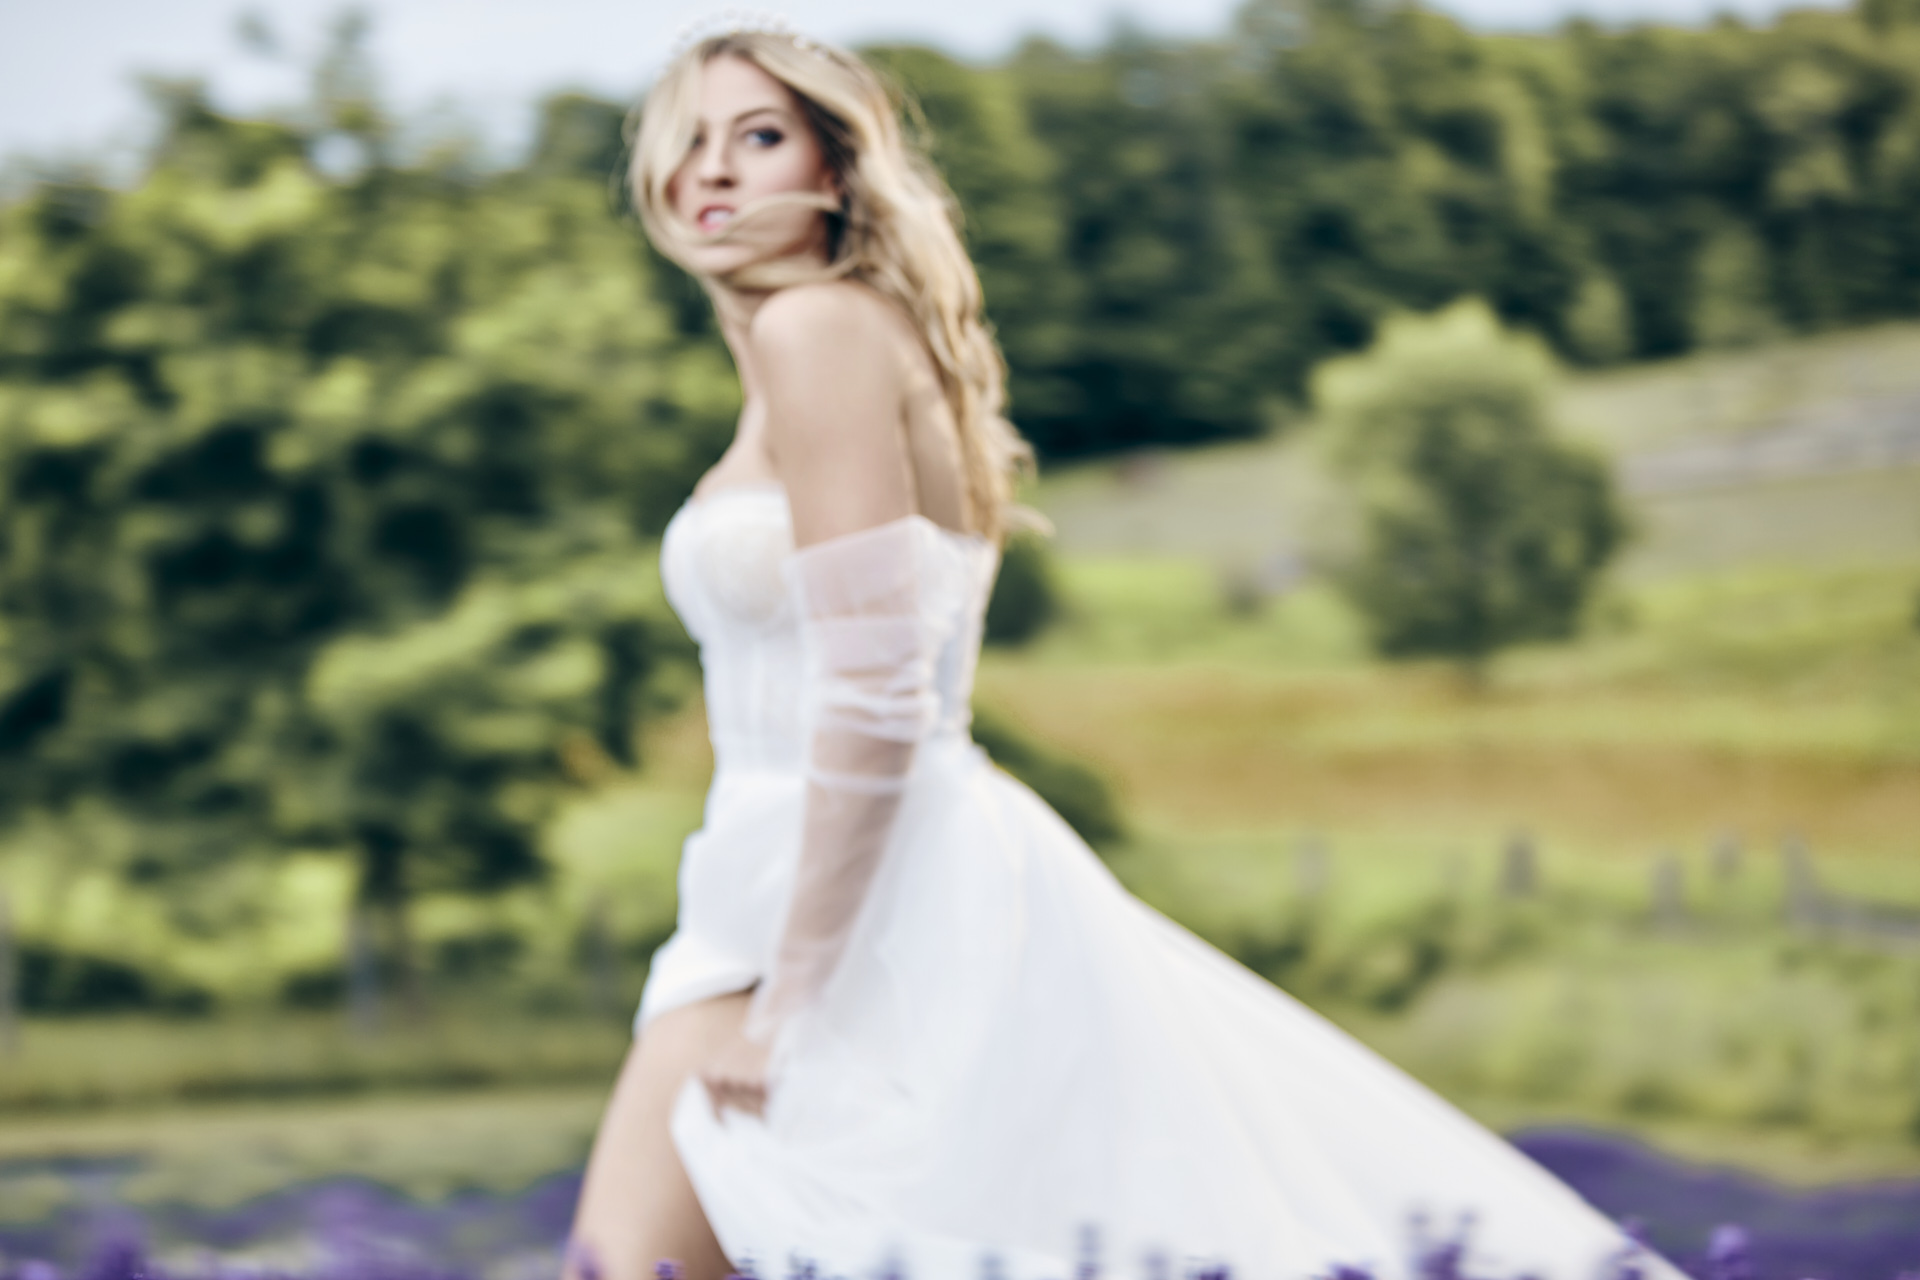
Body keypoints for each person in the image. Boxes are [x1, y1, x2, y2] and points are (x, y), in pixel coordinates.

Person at [565, 25, 1683, 1280]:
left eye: (758, 136)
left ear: (836, 169)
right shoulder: (859, 335)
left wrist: (792, 998)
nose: (709, 172)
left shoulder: (817, 331)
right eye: (688, 143)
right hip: (846, 866)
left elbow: (876, 691)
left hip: (827, 899)